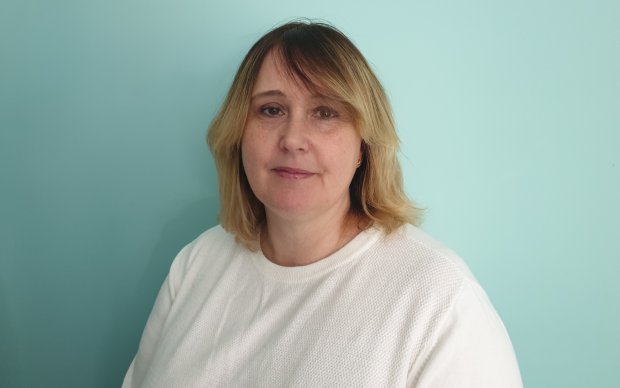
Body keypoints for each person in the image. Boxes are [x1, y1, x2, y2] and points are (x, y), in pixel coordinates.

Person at [122, 20, 523, 387]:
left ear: (365, 145)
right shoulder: (196, 264)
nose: (293, 138)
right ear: (238, 133)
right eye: (271, 109)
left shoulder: (439, 298)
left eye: (325, 112)